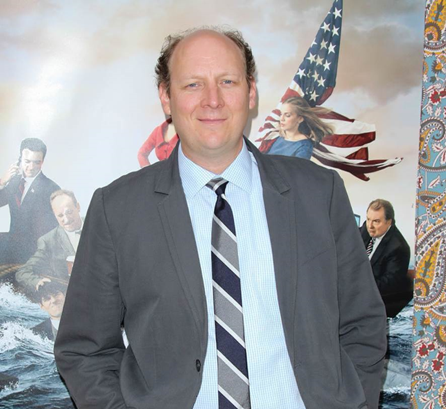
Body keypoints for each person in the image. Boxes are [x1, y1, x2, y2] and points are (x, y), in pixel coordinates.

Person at [55, 27, 387, 409]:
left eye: (227, 81)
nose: (212, 101)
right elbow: (84, 349)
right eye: (193, 84)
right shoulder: (117, 209)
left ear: (250, 93)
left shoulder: (319, 193)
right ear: (166, 98)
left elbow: (363, 324)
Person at [0, 138, 60, 263]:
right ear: (19, 160)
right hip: (12, 251)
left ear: (42, 161)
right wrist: (2, 182)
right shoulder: (14, 182)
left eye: (37, 162)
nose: (31, 167)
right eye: (27, 161)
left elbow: (54, 230)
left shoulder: (52, 188)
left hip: (35, 256)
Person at [15, 190, 82, 293]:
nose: (66, 219)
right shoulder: (48, 241)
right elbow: (23, 272)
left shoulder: (100, 225)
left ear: (77, 207)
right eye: (60, 216)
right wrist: (37, 282)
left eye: (69, 212)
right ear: (54, 215)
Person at [360, 199, 412, 318]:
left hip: (376, 302)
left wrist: (356, 286)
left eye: (376, 221)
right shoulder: (366, 228)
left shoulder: (399, 248)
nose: (370, 226)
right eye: (368, 219)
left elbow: (389, 285)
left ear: (389, 222)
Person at [258, 96, 333, 159]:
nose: (281, 119)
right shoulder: (276, 138)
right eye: (281, 114)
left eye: (287, 115)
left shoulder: (304, 146)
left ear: (300, 119)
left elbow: (294, 173)